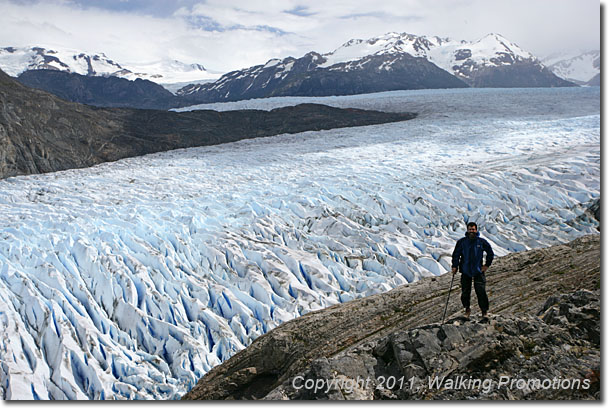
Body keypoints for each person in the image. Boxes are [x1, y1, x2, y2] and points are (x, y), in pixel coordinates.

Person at [451, 222, 494, 319]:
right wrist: (455, 266)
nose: (472, 231)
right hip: (465, 270)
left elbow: (490, 253)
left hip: (478, 271)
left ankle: (484, 311)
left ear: (476, 230)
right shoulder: (462, 242)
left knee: (481, 291)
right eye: (470, 229)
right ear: (467, 230)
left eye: (473, 229)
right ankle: (467, 310)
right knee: (465, 292)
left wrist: (486, 265)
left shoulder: (481, 242)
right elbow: (456, 255)